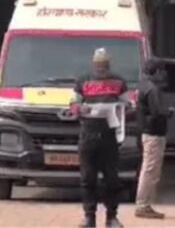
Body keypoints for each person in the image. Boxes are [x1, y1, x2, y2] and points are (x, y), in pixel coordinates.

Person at [72, 48, 129, 228]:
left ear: (108, 65)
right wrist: (80, 109)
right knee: (88, 178)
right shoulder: (82, 81)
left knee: (111, 178)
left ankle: (112, 217)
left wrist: (121, 107)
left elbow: (128, 104)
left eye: (104, 65)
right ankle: (89, 217)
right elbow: (73, 105)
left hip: (110, 136)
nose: (101, 68)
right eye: (98, 65)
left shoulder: (119, 82)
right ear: (93, 64)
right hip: (88, 135)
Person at [135, 58, 171, 219]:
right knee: (150, 170)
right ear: (156, 72)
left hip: (147, 132)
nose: (163, 75)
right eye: (162, 71)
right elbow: (157, 111)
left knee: (149, 169)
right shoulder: (152, 89)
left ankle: (145, 204)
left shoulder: (142, 85)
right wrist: (169, 112)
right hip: (154, 133)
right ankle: (143, 205)